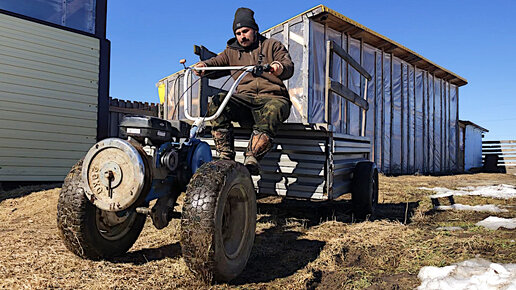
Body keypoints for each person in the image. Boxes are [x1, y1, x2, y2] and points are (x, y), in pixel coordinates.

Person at [194, 7, 294, 175]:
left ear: (255, 30)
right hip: (244, 100)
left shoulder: (272, 45)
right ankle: (225, 155)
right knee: (218, 102)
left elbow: (287, 65)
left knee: (275, 107)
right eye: (238, 33)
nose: (242, 36)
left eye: (245, 31)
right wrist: (204, 66)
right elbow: (216, 63)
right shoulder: (231, 51)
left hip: (271, 97)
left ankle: (252, 157)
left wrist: (278, 67)